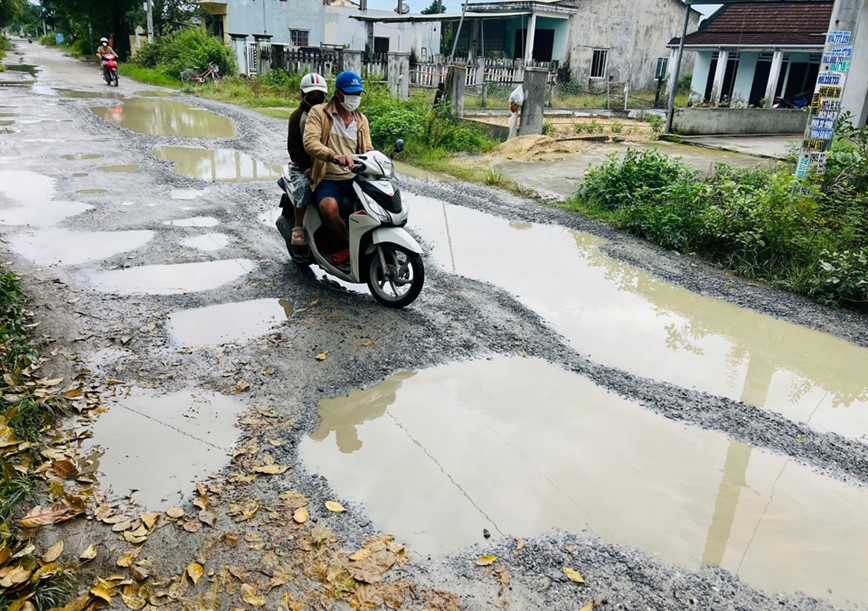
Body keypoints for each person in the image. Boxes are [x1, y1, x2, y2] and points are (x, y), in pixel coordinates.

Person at [303, 71, 374, 267]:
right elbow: (310, 142)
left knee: (377, 204)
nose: (355, 98)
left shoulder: (361, 121)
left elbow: (368, 149)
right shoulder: (319, 113)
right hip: (328, 177)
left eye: (358, 93)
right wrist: (333, 156)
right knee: (328, 207)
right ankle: (349, 246)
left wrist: (377, 161)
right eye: (351, 93)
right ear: (338, 94)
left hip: (354, 177)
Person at [278, 72, 328, 248]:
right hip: (302, 165)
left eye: (318, 95)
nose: (315, 99)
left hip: (325, 162)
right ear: (303, 95)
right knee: (304, 186)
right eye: (311, 95)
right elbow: (294, 147)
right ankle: (298, 226)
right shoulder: (297, 117)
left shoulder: (330, 115)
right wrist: (306, 166)